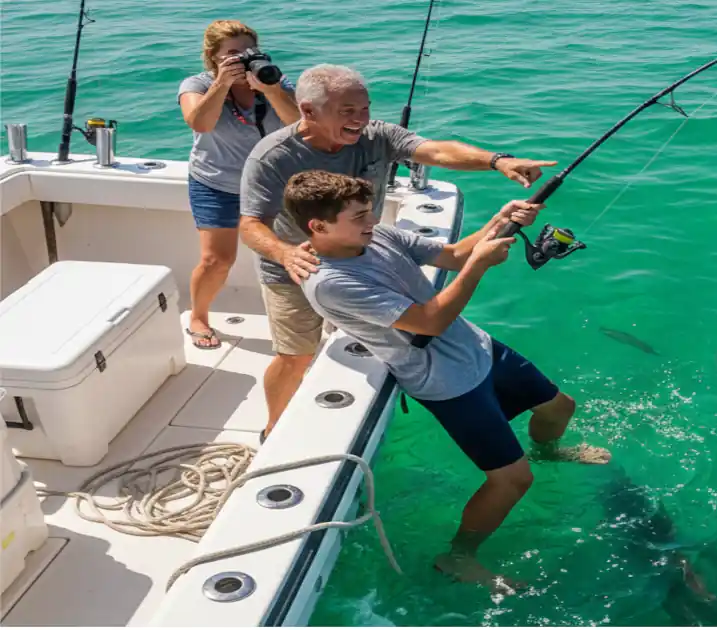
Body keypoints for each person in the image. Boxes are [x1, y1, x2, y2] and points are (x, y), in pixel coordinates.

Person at [282, 169, 611, 592]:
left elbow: (453, 254)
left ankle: (546, 452)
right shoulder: (331, 282)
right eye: (360, 215)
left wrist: (501, 218)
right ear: (318, 226)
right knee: (512, 480)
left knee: (559, 405)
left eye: (371, 210)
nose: (372, 219)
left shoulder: (375, 236)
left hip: (477, 347)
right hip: (445, 381)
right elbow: (431, 321)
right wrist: (479, 265)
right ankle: (458, 557)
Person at [239, 63, 556, 442]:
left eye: (365, 108)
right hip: (296, 267)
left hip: (364, 252)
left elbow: (435, 150)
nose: (361, 120)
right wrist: (285, 253)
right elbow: (250, 224)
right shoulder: (271, 156)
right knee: (295, 356)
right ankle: (273, 428)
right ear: (308, 111)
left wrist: (498, 161)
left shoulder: (376, 135)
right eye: (347, 112)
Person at [178, 19, 300, 349]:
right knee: (217, 261)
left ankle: (303, 317)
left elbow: (299, 125)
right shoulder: (197, 84)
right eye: (233, 53)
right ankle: (198, 316)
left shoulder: (271, 79)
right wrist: (221, 84)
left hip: (269, 183)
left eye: (249, 50)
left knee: (294, 253)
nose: (243, 57)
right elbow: (200, 123)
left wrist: (272, 91)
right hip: (216, 182)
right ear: (213, 57)